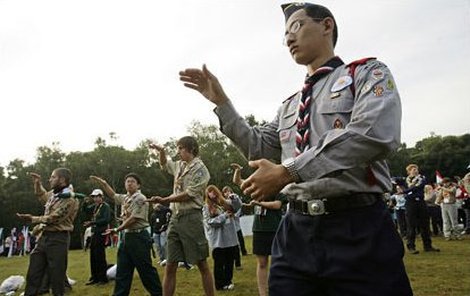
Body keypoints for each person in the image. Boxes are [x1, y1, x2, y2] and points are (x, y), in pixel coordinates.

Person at [179, 2, 413, 294]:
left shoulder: (366, 74)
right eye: (285, 34)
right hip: (295, 232)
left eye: (296, 27)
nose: (289, 38)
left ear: (327, 25)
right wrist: (223, 105)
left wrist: (290, 172)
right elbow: (260, 149)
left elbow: (374, 134)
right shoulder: (290, 105)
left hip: (358, 227)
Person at [149, 137, 215, 296]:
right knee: (170, 264)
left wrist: (165, 200)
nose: (178, 152)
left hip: (191, 218)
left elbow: (188, 194)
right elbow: (165, 165)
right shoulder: (180, 165)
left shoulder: (200, 169)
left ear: (191, 149)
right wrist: (162, 151)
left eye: (180, 148)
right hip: (175, 218)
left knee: (201, 263)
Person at [90, 173, 162, 296]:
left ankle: (158, 293)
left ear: (138, 185)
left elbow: (134, 219)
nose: (129, 183)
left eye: (132, 181)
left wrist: (118, 229)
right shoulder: (126, 198)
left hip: (138, 237)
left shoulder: (140, 198)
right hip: (127, 237)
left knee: (146, 271)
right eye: (127, 181)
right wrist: (104, 183)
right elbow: (113, 195)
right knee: (123, 271)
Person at [16, 168, 79, 296]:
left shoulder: (70, 198)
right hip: (44, 238)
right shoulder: (54, 194)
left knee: (57, 277)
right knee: (33, 273)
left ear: (62, 180)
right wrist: (37, 183)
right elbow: (42, 196)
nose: (50, 179)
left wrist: (32, 219)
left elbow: (55, 218)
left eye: (53, 177)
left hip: (58, 239)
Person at [231, 163, 287, 296]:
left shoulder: (280, 188)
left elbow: (277, 205)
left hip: (274, 228)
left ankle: (278, 289)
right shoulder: (257, 187)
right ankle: (263, 293)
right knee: (262, 263)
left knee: (278, 262)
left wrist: (259, 203)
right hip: (259, 229)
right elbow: (238, 182)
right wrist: (238, 171)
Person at [203, 185, 241, 291]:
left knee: (230, 262)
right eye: (209, 192)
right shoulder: (206, 207)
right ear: (207, 195)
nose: (212, 194)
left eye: (213, 191)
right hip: (218, 241)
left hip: (231, 238)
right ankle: (220, 284)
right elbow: (210, 223)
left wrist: (234, 197)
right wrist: (224, 216)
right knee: (219, 263)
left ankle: (228, 281)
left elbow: (237, 206)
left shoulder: (225, 203)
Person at [403, 164, 440, 254]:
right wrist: (408, 191)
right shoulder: (405, 180)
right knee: (411, 225)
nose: (415, 170)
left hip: (420, 202)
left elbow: (418, 187)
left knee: (425, 224)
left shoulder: (422, 178)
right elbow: (396, 182)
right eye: (413, 169)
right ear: (408, 172)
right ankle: (411, 246)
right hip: (411, 203)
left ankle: (428, 246)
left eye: (416, 169)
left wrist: (406, 191)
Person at [83, 189, 111, 285]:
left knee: (100, 255)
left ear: (101, 197)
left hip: (101, 233)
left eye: (97, 197)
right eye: (94, 197)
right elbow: (86, 210)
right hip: (94, 232)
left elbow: (106, 219)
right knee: (93, 255)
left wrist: (92, 222)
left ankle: (102, 278)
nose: (95, 199)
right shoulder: (95, 207)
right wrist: (84, 203)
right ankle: (94, 277)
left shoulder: (105, 207)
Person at [221, 185, 248, 270]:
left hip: (236, 226)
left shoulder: (235, 199)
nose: (227, 193)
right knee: (230, 246)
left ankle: (238, 263)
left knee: (238, 243)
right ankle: (230, 263)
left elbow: (238, 208)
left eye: (228, 191)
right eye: (225, 192)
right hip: (228, 227)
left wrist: (234, 215)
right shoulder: (224, 202)